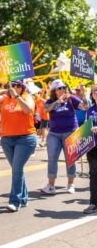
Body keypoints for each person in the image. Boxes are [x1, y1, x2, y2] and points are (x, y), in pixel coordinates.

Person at [0, 80, 37, 212]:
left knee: (16, 169)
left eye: (18, 86)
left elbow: (28, 110)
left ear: (23, 88)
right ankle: (24, 198)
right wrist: (5, 91)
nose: (15, 88)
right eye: (12, 85)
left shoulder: (27, 97)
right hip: (7, 139)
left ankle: (15, 201)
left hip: (25, 138)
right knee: (17, 169)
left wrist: (17, 96)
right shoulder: (4, 99)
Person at [41, 79, 88, 195]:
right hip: (54, 134)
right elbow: (46, 109)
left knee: (71, 159)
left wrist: (83, 94)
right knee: (52, 159)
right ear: (54, 91)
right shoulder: (50, 101)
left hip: (70, 132)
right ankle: (51, 186)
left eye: (63, 87)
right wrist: (58, 101)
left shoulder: (71, 99)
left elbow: (84, 107)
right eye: (58, 88)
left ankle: (71, 184)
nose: (61, 90)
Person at [85, 84, 97, 214]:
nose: (96, 93)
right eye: (94, 91)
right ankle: (93, 203)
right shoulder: (90, 110)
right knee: (93, 175)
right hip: (93, 146)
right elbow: (87, 127)